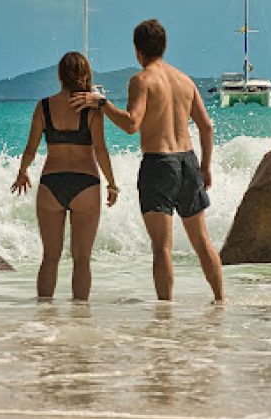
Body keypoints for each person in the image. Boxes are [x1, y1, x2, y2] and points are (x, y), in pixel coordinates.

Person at [70, 19, 224, 302]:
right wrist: (206, 167)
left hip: (158, 165)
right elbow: (207, 127)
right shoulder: (185, 80)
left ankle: (165, 315)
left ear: (137, 50)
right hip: (188, 162)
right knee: (202, 242)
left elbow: (131, 125)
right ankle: (220, 301)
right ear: (163, 47)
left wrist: (101, 103)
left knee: (162, 248)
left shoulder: (141, 81)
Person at [11, 52, 118, 301]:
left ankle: (44, 320)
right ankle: (80, 321)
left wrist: (22, 172)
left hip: (52, 184)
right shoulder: (92, 109)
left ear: (60, 75)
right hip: (86, 184)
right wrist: (113, 184)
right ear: (86, 75)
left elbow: (31, 147)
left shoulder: (44, 106)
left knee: (50, 257)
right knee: (82, 260)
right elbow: (101, 150)